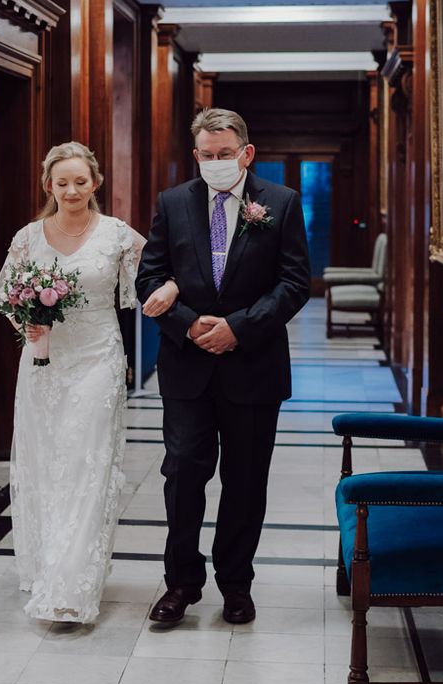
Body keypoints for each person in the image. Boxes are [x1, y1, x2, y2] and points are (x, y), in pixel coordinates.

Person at [136, 108, 311, 625]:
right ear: (196, 156)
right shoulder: (173, 203)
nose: (216, 163)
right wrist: (189, 324)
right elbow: (150, 277)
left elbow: (295, 282)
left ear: (246, 152)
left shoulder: (280, 202)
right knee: (182, 475)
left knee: (245, 481)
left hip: (253, 367)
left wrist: (239, 326)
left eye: (225, 154)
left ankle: (236, 584)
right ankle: (181, 584)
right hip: (187, 367)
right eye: (206, 156)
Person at [0, 142, 178, 623]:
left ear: (95, 183)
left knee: (86, 465)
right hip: (43, 364)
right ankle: (47, 564)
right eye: (61, 182)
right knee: (46, 464)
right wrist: (28, 324)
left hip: (98, 359)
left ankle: (72, 585)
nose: (71, 190)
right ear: (48, 186)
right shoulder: (28, 238)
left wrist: (173, 288)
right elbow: (8, 297)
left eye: (80, 181)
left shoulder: (116, 235)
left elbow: (164, 268)